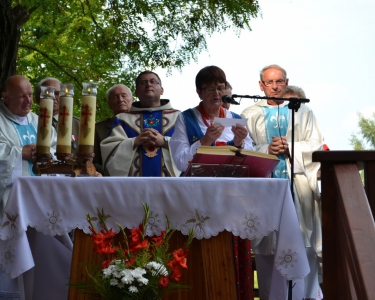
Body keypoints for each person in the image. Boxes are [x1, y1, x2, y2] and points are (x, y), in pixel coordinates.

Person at [169, 65, 254, 299]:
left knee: (230, 252)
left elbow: (251, 160)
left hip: (231, 197)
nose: (216, 93)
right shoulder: (185, 118)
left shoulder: (237, 120)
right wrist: (204, 141)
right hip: (196, 197)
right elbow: (178, 160)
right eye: (209, 88)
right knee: (196, 250)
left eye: (220, 87)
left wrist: (239, 143)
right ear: (198, 92)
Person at [242, 65, 323, 300]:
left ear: (286, 82)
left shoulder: (302, 111)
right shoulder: (249, 113)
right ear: (260, 85)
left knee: (301, 241)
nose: (275, 87)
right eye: (269, 82)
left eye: (279, 82)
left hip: (297, 186)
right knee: (268, 246)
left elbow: (315, 144)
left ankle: (305, 296)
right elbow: (243, 151)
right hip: (264, 189)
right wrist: (265, 149)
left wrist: (291, 149)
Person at [0, 75, 58, 299]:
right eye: (21, 96)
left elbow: (54, 152)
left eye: (30, 95)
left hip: (38, 200)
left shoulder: (39, 120)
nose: (28, 101)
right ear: (5, 97)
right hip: (6, 201)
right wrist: (20, 153)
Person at [101, 71, 180, 177]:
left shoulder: (179, 117)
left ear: (161, 90)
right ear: (136, 92)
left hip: (171, 186)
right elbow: (110, 150)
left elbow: (190, 149)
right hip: (132, 187)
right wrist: (134, 141)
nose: (148, 85)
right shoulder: (122, 119)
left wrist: (164, 142)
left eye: (153, 81)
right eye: (143, 82)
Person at [93, 84, 133, 174]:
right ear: (109, 103)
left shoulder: (142, 124)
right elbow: (94, 161)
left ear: (132, 99)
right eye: (115, 97)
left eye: (124, 96)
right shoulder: (98, 128)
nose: (120, 100)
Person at [35, 77, 80, 154]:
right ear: (37, 97)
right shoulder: (30, 122)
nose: (53, 97)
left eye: (57, 94)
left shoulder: (79, 125)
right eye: (48, 93)